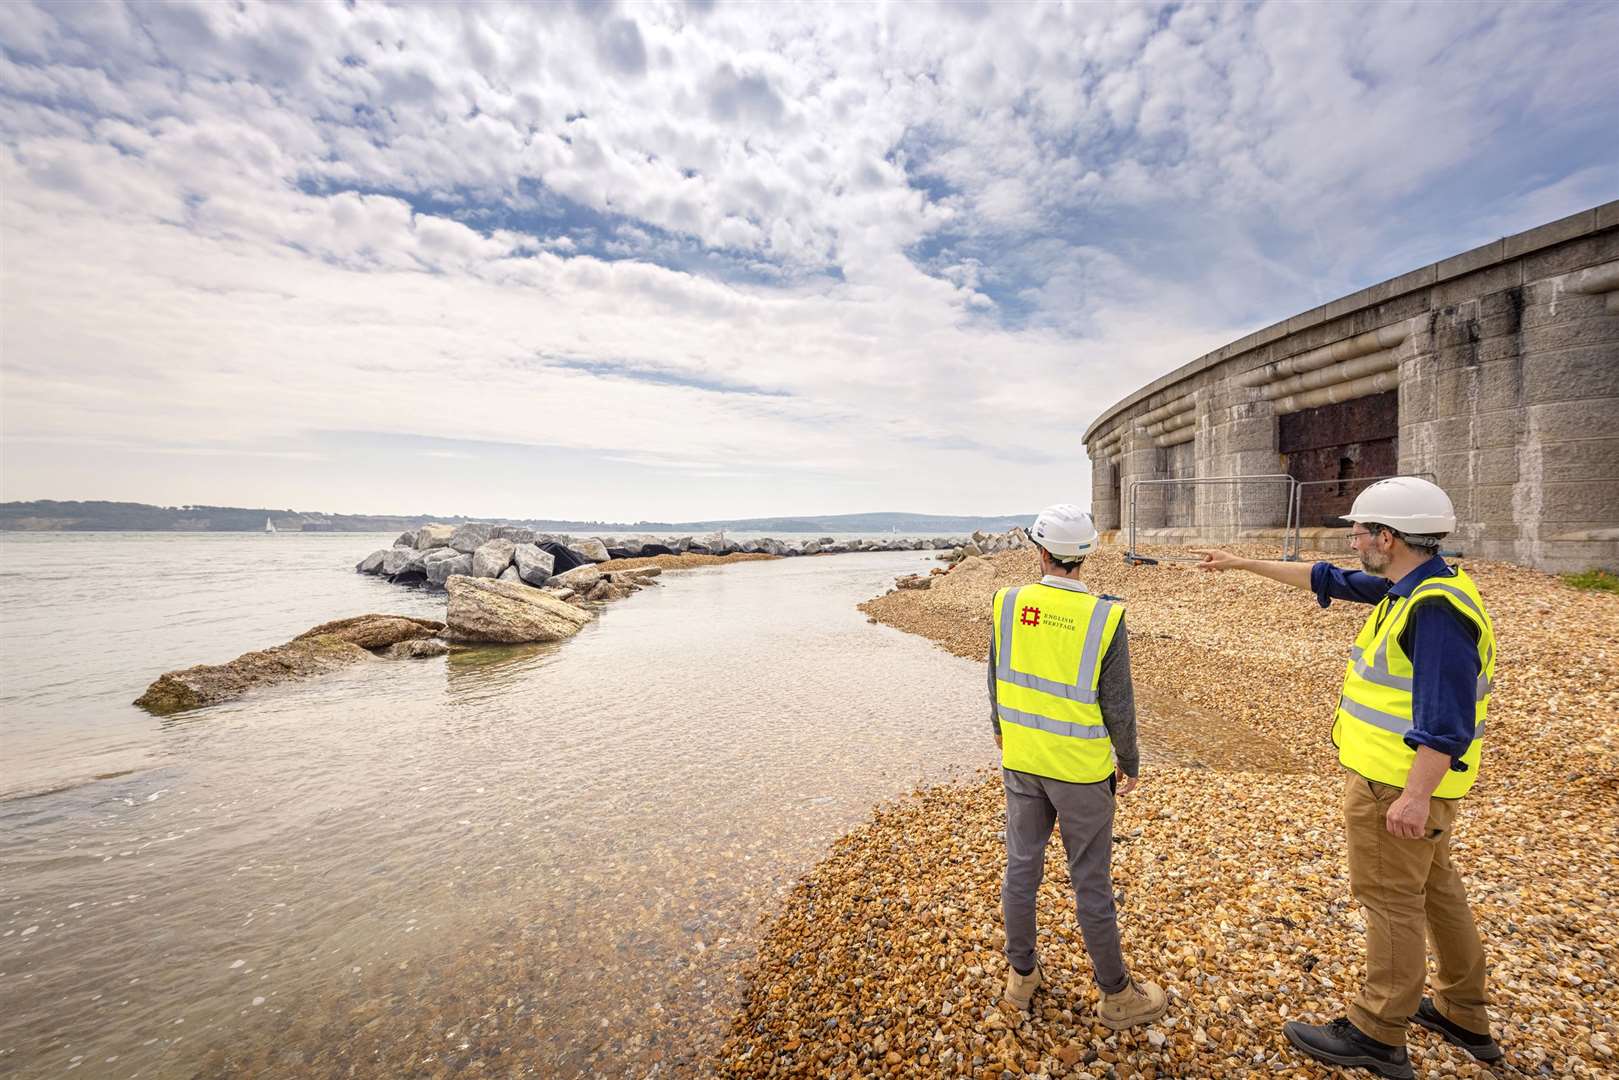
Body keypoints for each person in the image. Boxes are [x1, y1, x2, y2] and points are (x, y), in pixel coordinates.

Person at [1195, 476, 1500, 1080]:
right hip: (1414, 786)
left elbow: (1446, 724)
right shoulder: (1415, 585)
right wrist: (1239, 565)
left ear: (1388, 538)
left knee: (1391, 902)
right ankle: (1464, 1012)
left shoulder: (1434, 611)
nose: (1352, 541)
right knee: (1438, 892)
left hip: (1398, 786)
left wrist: (1413, 798)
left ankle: (1378, 1032)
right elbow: (1326, 579)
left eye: (1359, 531)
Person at [991, 503, 1167, 1029]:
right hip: (1083, 774)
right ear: (1085, 555)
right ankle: (1116, 995)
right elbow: (1119, 703)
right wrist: (1130, 759)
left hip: (1022, 762)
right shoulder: (1105, 616)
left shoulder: (1007, 603)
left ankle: (1022, 975)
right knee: (1089, 881)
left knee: (1021, 867)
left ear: (1040, 551)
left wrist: (1003, 734)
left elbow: (995, 680)